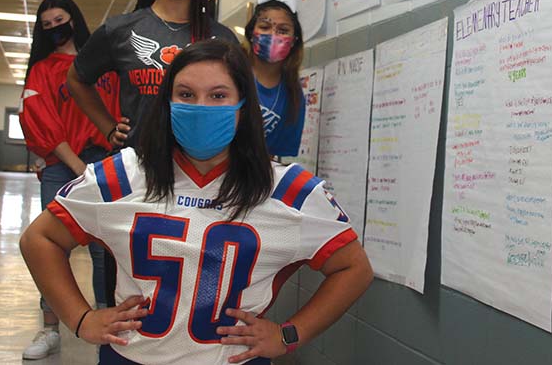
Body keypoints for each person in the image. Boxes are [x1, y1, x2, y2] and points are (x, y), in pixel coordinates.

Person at [20, 40, 373, 365]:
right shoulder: (122, 176)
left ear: (242, 105)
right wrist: (80, 319)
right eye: (186, 95)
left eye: (218, 96)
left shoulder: (289, 190)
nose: (200, 107)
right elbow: (40, 239)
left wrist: (288, 334)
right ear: (168, 103)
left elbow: (353, 269)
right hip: (132, 358)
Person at [67, 0, 238, 152]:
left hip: (201, 169)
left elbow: (238, 104)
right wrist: (108, 128)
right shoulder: (121, 30)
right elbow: (76, 78)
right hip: (138, 168)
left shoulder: (222, 39)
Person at [18, 0, 121, 360]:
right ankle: (50, 328)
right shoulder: (42, 70)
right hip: (64, 164)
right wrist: (78, 167)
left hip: (106, 161)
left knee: (103, 249)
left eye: (59, 20)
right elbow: (40, 120)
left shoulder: (103, 67)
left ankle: (109, 327)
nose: (54, 29)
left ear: (74, 19)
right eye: (46, 25)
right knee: (53, 247)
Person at [244, 0, 306, 157]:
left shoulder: (294, 95)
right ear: (251, 33)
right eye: (264, 27)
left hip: (254, 178)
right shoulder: (231, 73)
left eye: (283, 30)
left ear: (294, 41)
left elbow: (274, 157)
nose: (273, 35)